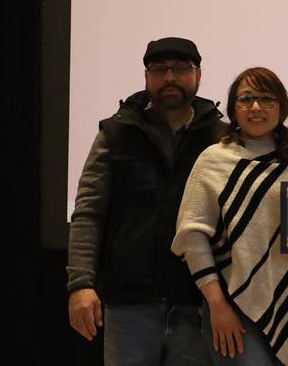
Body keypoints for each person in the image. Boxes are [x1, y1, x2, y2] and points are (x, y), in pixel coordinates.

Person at [66, 37, 227, 366]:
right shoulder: (115, 134)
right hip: (129, 304)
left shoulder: (221, 137)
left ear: (198, 75)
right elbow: (88, 213)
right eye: (159, 68)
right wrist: (80, 283)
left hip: (198, 304)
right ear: (146, 76)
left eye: (182, 68)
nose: (170, 76)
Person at [171, 67, 288, 366]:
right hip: (232, 308)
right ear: (233, 108)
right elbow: (191, 237)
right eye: (246, 99)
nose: (256, 107)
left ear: (281, 106)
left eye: (266, 99)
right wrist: (217, 305)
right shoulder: (213, 159)